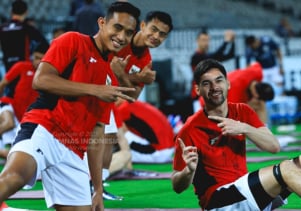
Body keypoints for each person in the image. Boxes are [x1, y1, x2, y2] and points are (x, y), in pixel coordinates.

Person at [171, 59, 301, 211]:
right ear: (197, 89)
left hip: (244, 193)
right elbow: (177, 186)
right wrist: (188, 172)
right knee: (284, 169)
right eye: (207, 83)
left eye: (219, 80)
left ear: (228, 84)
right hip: (219, 202)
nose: (215, 87)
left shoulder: (242, 111)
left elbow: (273, 146)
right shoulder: (189, 129)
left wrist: (244, 128)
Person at [0, 2, 140, 210]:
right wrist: (95, 89)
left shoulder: (111, 75)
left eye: (128, 32)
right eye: (117, 28)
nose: (121, 36)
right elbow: (41, 80)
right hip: (44, 128)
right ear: (102, 23)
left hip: (74, 150)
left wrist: (98, 189)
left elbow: (97, 132)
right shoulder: (72, 40)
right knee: (16, 176)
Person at [99, 10, 174, 200]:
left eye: (162, 34)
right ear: (142, 26)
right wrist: (131, 77)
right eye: (154, 30)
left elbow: (132, 96)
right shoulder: (121, 39)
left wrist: (126, 77)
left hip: (106, 106)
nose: (156, 37)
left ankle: (96, 189)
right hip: (87, 100)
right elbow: (101, 72)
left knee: (108, 147)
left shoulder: (147, 61)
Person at [0, 43, 49, 159]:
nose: (38, 61)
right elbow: (3, 84)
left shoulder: (49, 76)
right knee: (8, 123)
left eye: (41, 59)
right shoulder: (21, 66)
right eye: (36, 58)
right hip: (9, 104)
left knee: (14, 153)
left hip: (25, 118)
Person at [109, 100, 175, 174]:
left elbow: (118, 134)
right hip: (169, 149)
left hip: (158, 152)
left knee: (118, 133)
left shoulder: (122, 109)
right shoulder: (133, 103)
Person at [183, 29, 235, 122]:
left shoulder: (208, 56)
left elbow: (230, 55)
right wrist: (226, 42)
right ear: (197, 41)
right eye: (203, 40)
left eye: (207, 40)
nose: (206, 43)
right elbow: (215, 56)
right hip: (198, 97)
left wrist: (232, 42)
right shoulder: (196, 57)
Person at [198, 62, 274, 123]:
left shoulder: (257, 73)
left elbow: (254, 64)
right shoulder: (235, 92)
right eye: (259, 98)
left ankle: (262, 132)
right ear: (256, 94)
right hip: (208, 101)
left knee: (259, 105)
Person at [0, 0, 49, 72]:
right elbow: (44, 44)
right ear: (26, 12)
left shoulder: (2, 28)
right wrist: (37, 56)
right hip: (24, 67)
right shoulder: (27, 28)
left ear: (11, 12)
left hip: (7, 67)